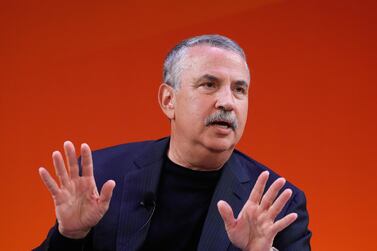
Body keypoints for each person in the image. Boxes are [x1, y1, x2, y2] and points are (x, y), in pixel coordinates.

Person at [34, 35, 311, 251]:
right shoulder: (102, 177)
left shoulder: (277, 203)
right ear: (169, 100)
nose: (227, 102)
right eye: (209, 84)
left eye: (239, 90)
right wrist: (68, 236)